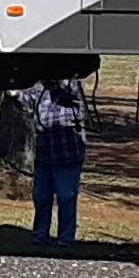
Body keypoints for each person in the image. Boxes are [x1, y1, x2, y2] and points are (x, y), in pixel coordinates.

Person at [28, 70, 90, 247]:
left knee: (66, 197)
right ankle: (40, 235)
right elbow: (25, 102)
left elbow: (69, 87)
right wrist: (12, 91)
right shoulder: (38, 90)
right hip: (45, 154)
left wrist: (57, 70)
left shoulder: (72, 88)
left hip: (67, 155)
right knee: (41, 197)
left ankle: (66, 238)